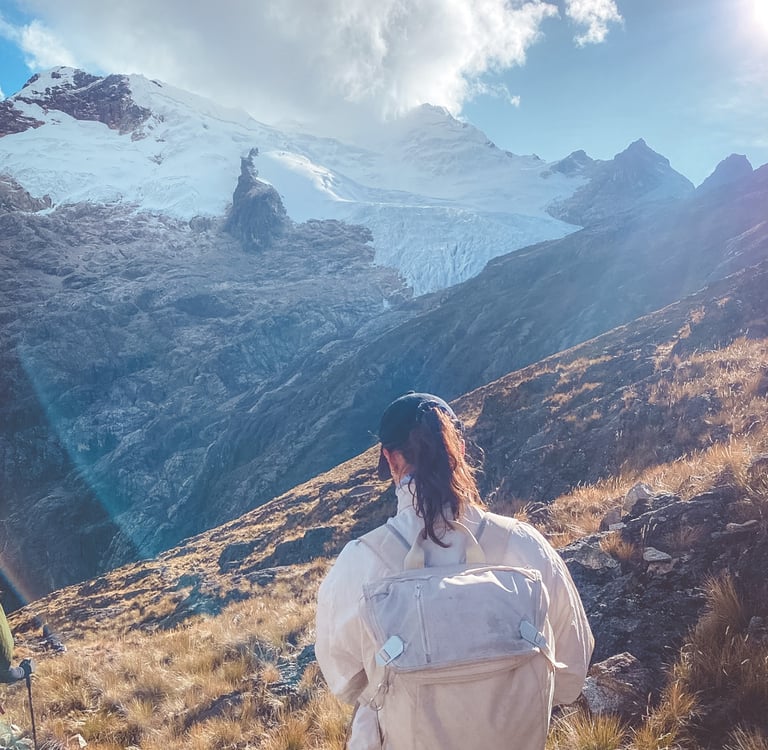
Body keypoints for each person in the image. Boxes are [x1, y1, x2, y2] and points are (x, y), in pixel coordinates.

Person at [315, 392, 594, 749]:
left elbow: (344, 681)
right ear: (459, 449)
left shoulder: (361, 561)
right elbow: (571, 675)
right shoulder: (524, 545)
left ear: (390, 458)